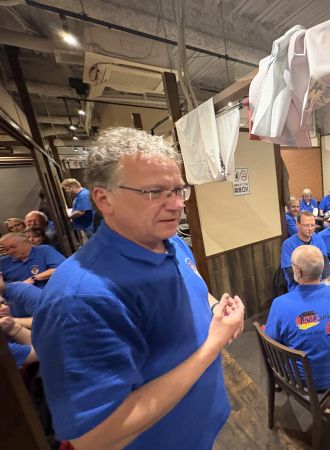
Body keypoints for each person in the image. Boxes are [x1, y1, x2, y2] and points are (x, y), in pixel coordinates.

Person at [32, 127, 245, 450]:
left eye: (178, 190)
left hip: (202, 431)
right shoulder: (78, 298)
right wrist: (213, 344)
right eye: (154, 192)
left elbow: (196, 292)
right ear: (103, 199)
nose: (176, 204)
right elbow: (92, 437)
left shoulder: (171, 242)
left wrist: (217, 309)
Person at [267, 246, 330, 395]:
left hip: (300, 379)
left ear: (298, 272)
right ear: (322, 269)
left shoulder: (279, 304)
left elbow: (272, 340)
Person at [281, 211, 330, 290]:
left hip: (320, 284)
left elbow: (325, 263)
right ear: (298, 225)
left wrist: (327, 283)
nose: (310, 229)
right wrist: (312, 286)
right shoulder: (288, 244)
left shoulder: (318, 239)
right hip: (299, 287)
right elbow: (290, 271)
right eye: (306, 225)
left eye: (313, 225)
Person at [0, 232, 65, 288]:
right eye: (6, 249)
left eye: (13, 247)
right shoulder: (3, 262)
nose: (10, 251)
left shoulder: (44, 250)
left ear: (27, 242)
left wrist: (33, 278)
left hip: (50, 291)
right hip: (18, 295)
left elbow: (61, 268)